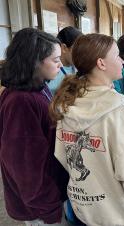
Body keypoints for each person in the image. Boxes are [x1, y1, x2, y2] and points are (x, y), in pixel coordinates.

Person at [50, 33, 124, 226]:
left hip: (81, 209)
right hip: (113, 214)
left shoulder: (66, 103)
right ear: (101, 63)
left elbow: (62, 155)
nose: (122, 61)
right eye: (117, 55)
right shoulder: (120, 111)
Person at [0, 28, 69, 226]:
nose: (61, 64)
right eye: (55, 60)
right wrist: (49, 209)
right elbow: (24, 166)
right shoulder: (21, 102)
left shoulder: (38, 86)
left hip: (50, 193)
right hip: (41, 206)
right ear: (35, 61)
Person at [47, 26, 83, 95]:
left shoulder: (79, 67)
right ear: (64, 48)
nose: (81, 54)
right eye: (77, 49)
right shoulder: (50, 70)